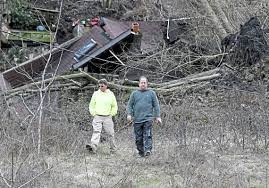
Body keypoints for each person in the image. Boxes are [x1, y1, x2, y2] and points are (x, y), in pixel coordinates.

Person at [127, 76, 162, 157]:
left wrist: (158, 116)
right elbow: (129, 105)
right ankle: (141, 152)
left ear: (147, 84)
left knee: (148, 135)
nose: (143, 84)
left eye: (144, 83)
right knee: (138, 138)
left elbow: (156, 105)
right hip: (137, 120)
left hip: (148, 119)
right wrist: (129, 114)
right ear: (139, 84)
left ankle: (148, 150)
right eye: (141, 83)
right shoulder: (134, 94)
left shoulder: (151, 93)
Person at [86, 79, 118, 154]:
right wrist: (93, 113)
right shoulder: (96, 94)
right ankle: (93, 147)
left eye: (102, 86)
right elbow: (91, 105)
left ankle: (113, 149)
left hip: (108, 117)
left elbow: (114, 106)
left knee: (110, 133)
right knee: (96, 132)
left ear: (106, 86)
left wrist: (112, 114)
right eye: (99, 86)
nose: (100, 87)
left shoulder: (111, 94)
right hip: (97, 116)